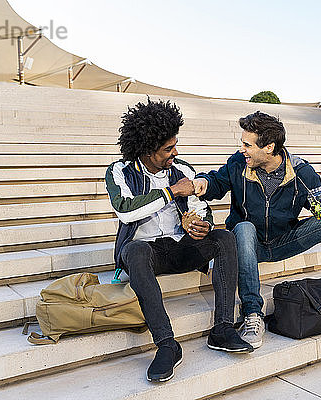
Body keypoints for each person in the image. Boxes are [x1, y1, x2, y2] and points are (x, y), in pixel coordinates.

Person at [193, 111, 321, 349]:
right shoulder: (238, 164)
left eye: (247, 145)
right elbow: (216, 182)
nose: (242, 149)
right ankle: (252, 314)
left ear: (269, 147)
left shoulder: (300, 171)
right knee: (244, 227)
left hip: (283, 241)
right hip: (248, 244)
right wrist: (203, 183)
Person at [105, 99, 252, 383]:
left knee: (223, 237)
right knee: (134, 250)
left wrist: (201, 224)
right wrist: (171, 192)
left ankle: (222, 328)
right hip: (147, 252)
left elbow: (202, 209)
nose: (175, 153)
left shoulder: (183, 168)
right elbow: (126, 210)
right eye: (168, 149)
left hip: (179, 247)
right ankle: (166, 344)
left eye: (175, 145)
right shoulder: (119, 171)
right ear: (147, 149)